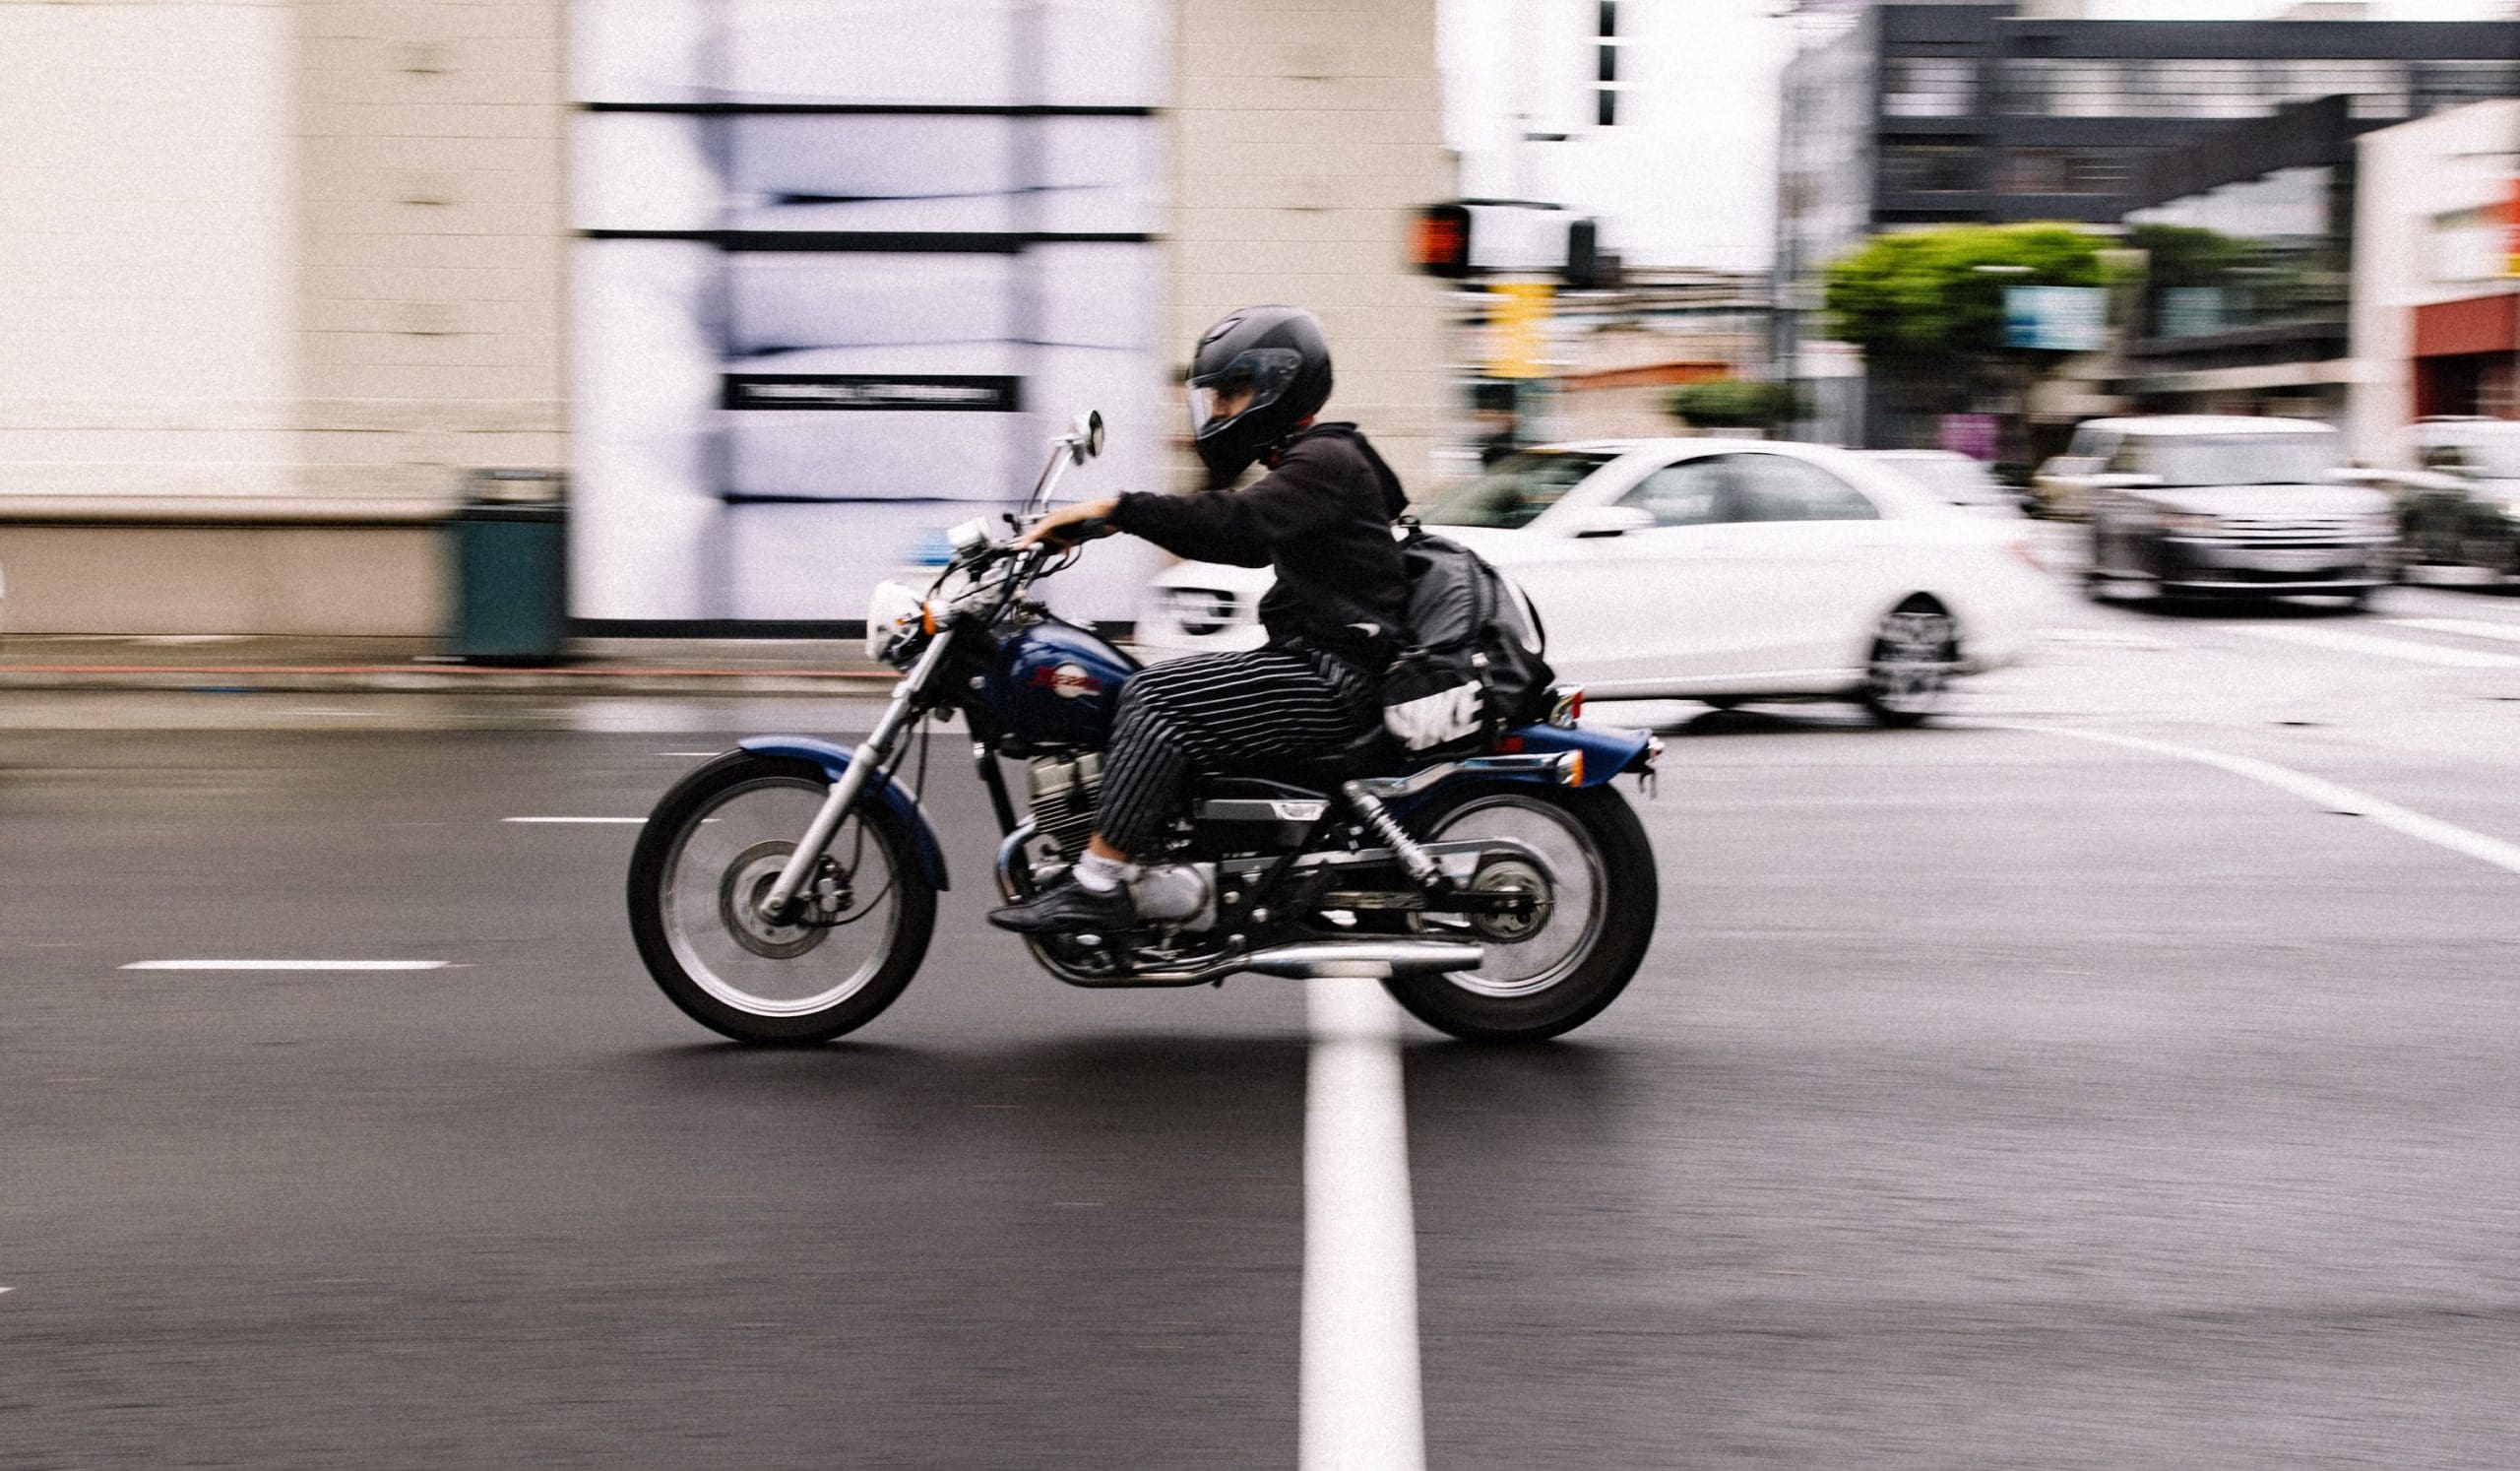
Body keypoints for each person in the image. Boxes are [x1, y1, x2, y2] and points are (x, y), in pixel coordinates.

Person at [985, 305, 1410, 937]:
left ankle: (1099, 884)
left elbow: (1233, 523)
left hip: (1335, 678)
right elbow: (1242, 539)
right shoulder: (1316, 465)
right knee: (1155, 686)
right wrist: (1101, 525)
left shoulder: (1325, 460)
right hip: (1321, 663)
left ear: (1276, 384)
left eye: (1231, 394)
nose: (1216, 413)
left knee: (1154, 696)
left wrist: (1119, 508)